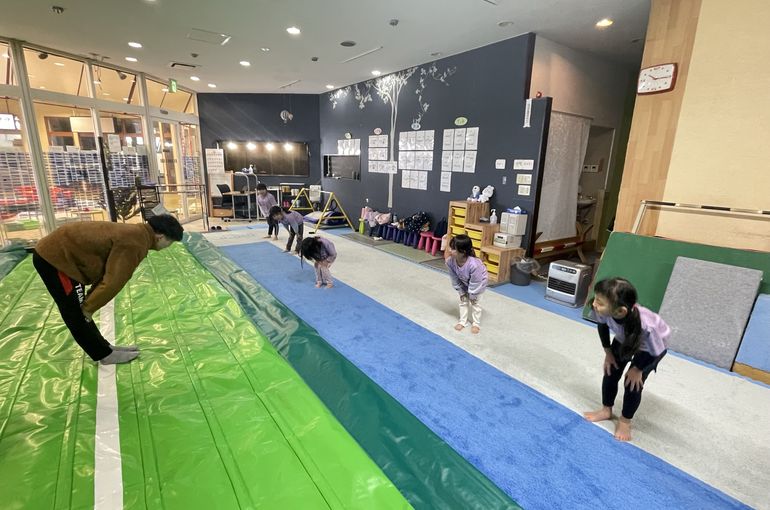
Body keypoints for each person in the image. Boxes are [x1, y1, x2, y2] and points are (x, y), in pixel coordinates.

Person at [32, 215, 184, 365]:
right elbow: (113, 280)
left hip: (66, 256)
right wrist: (89, 308)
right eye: (170, 242)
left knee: (81, 311)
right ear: (160, 237)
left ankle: (105, 348)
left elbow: (106, 273)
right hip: (54, 259)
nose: (168, 247)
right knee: (76, 312)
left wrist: (89, 305)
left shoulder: (138, 234)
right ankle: (103, 355)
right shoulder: (135, 242)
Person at [583, 277, 670, 441]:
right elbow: (602, 326)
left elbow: (656, 351)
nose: (594, 304)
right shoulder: (603, 310)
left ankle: (625, 421)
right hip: (625, 338)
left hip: (652, 348)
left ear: (620, 311)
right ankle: (606, 410)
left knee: (632, 383)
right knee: (611, 372)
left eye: (600, 302)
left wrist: (637, 369)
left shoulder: (647, 327)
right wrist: (608, 353)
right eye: (596, 298)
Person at [445, 234, 488, 334]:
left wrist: (472, 295)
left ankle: (476, 323)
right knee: (463, 301)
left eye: (453, 249)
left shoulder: (474, 265)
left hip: (479, 285)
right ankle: (463, 321)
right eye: (450, 247)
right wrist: (461, 291)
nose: (450, 250)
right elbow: (454, 278)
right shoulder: (450, 262)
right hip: (464, 282)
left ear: (463, 252)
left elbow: (476, 282)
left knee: (475, 303)